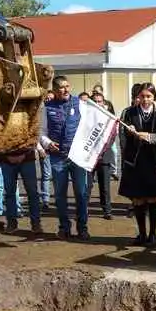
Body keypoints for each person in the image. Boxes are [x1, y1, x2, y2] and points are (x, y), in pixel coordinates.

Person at [119, 82, 156, 246]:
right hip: (135, 161)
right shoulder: (129, 113)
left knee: (152, 198)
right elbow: (123, 138)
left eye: (149, 96)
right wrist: (129, 130)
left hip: (153, 160)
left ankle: (153, 234)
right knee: (138, 200)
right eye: (142, 96)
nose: (145, 99)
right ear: (137, 97)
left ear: (154, 97)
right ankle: (141, 233)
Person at [42, 76, 90, 240]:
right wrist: (47, 143)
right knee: (60, 195)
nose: (66, 90)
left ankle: (82, 227)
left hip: (77, 157)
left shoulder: (80, 104)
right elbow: (40, 132)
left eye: (68, 86)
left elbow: (89, 126)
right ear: (54, 90)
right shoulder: (46, 108)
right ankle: (64, 227)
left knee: (81, 194)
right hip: (58, 158)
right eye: (62, 87)